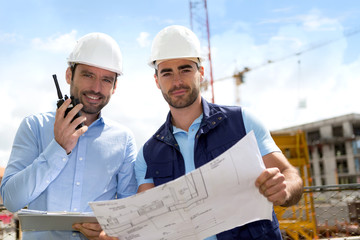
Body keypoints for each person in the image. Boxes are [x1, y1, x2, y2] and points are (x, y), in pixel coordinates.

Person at [100, 25, 303, 240]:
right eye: (167, 73)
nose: (177, 81)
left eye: (185, 69)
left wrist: (285, 189)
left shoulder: (242, 122)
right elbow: (150, 223)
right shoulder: (148, 154)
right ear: (157, 81)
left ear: (201, 73)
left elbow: (291, 177)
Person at [0, 32, 138, 240]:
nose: (96, 88)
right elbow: (12, 200)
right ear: (68, 75)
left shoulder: (124, 139)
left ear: (115, 86)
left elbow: (130, 216)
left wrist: (107, 233)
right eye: (88, 75)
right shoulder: (34, 126)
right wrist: (58, 147)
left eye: (106, 80)